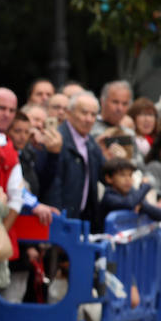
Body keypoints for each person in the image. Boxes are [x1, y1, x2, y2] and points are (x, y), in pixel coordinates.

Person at [38, 92, 103, 224]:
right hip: (57, 218)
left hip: (82, 218)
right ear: (69, 113)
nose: (89, 119)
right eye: (84, 113)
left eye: (93, 114)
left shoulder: (91, 143)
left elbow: (105, 173)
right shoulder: (54, 139)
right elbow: (49, 181)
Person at [98, 158, 161, 229]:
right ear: (109, 178)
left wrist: (142, 206)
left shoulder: (133, 195)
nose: (128, 179)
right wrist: (144, 187)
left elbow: (160, 215)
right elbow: (129, 203)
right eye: (122, 175)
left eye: (130, 175)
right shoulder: (109, 196)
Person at [129, 96, 157, 162]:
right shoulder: (129, 138)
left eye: (150, 115)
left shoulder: (157, 139)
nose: (147, 119)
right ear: (133, 118)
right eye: (142, 114)